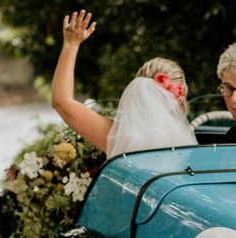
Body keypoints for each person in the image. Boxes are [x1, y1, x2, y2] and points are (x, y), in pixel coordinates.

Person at [51, 9, 196, 158]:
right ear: (179, 97)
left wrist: (71, 45)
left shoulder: (117, 137)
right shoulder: (186, 143)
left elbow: (61, 101)